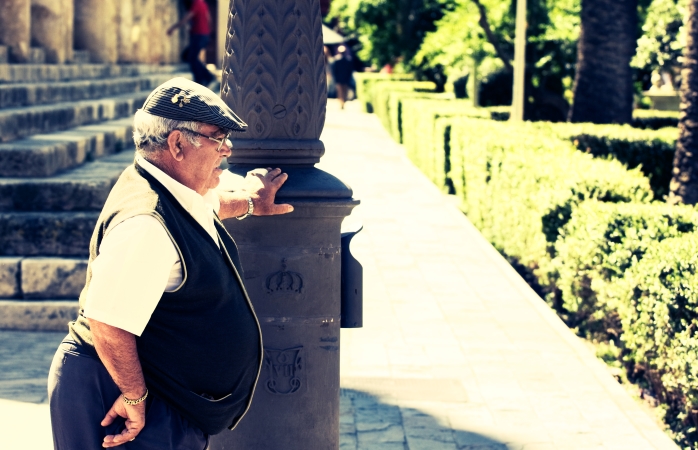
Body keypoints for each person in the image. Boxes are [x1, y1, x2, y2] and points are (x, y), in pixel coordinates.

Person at [47, 77, 293, 449]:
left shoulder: (174, 189)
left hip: (157, 393)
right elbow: (106, 320)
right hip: (117, 392)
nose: (227, 150)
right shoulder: (146, 223)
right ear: (178, 144)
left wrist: (251, 203)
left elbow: (209, 207)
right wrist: (133, 396)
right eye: (218, 138)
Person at [167, 0, 215, 87]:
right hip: (204, 35)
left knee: (191, 57)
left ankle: (202, 79)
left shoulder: (197, 3)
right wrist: (209, 34)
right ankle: (207, 77)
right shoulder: (203, 3)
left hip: (199, 35)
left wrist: (173, 28)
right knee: (189, 56)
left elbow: (186, 19)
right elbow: (209, 19)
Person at [330, 45, 354, 109]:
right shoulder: (348, 60)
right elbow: (350, 71)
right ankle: (342, 103)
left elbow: (334, 71)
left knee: (341, 92)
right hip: (344, 79)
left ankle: (342, 103)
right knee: (343, 92)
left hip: (340, 79)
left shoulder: (336, 60)